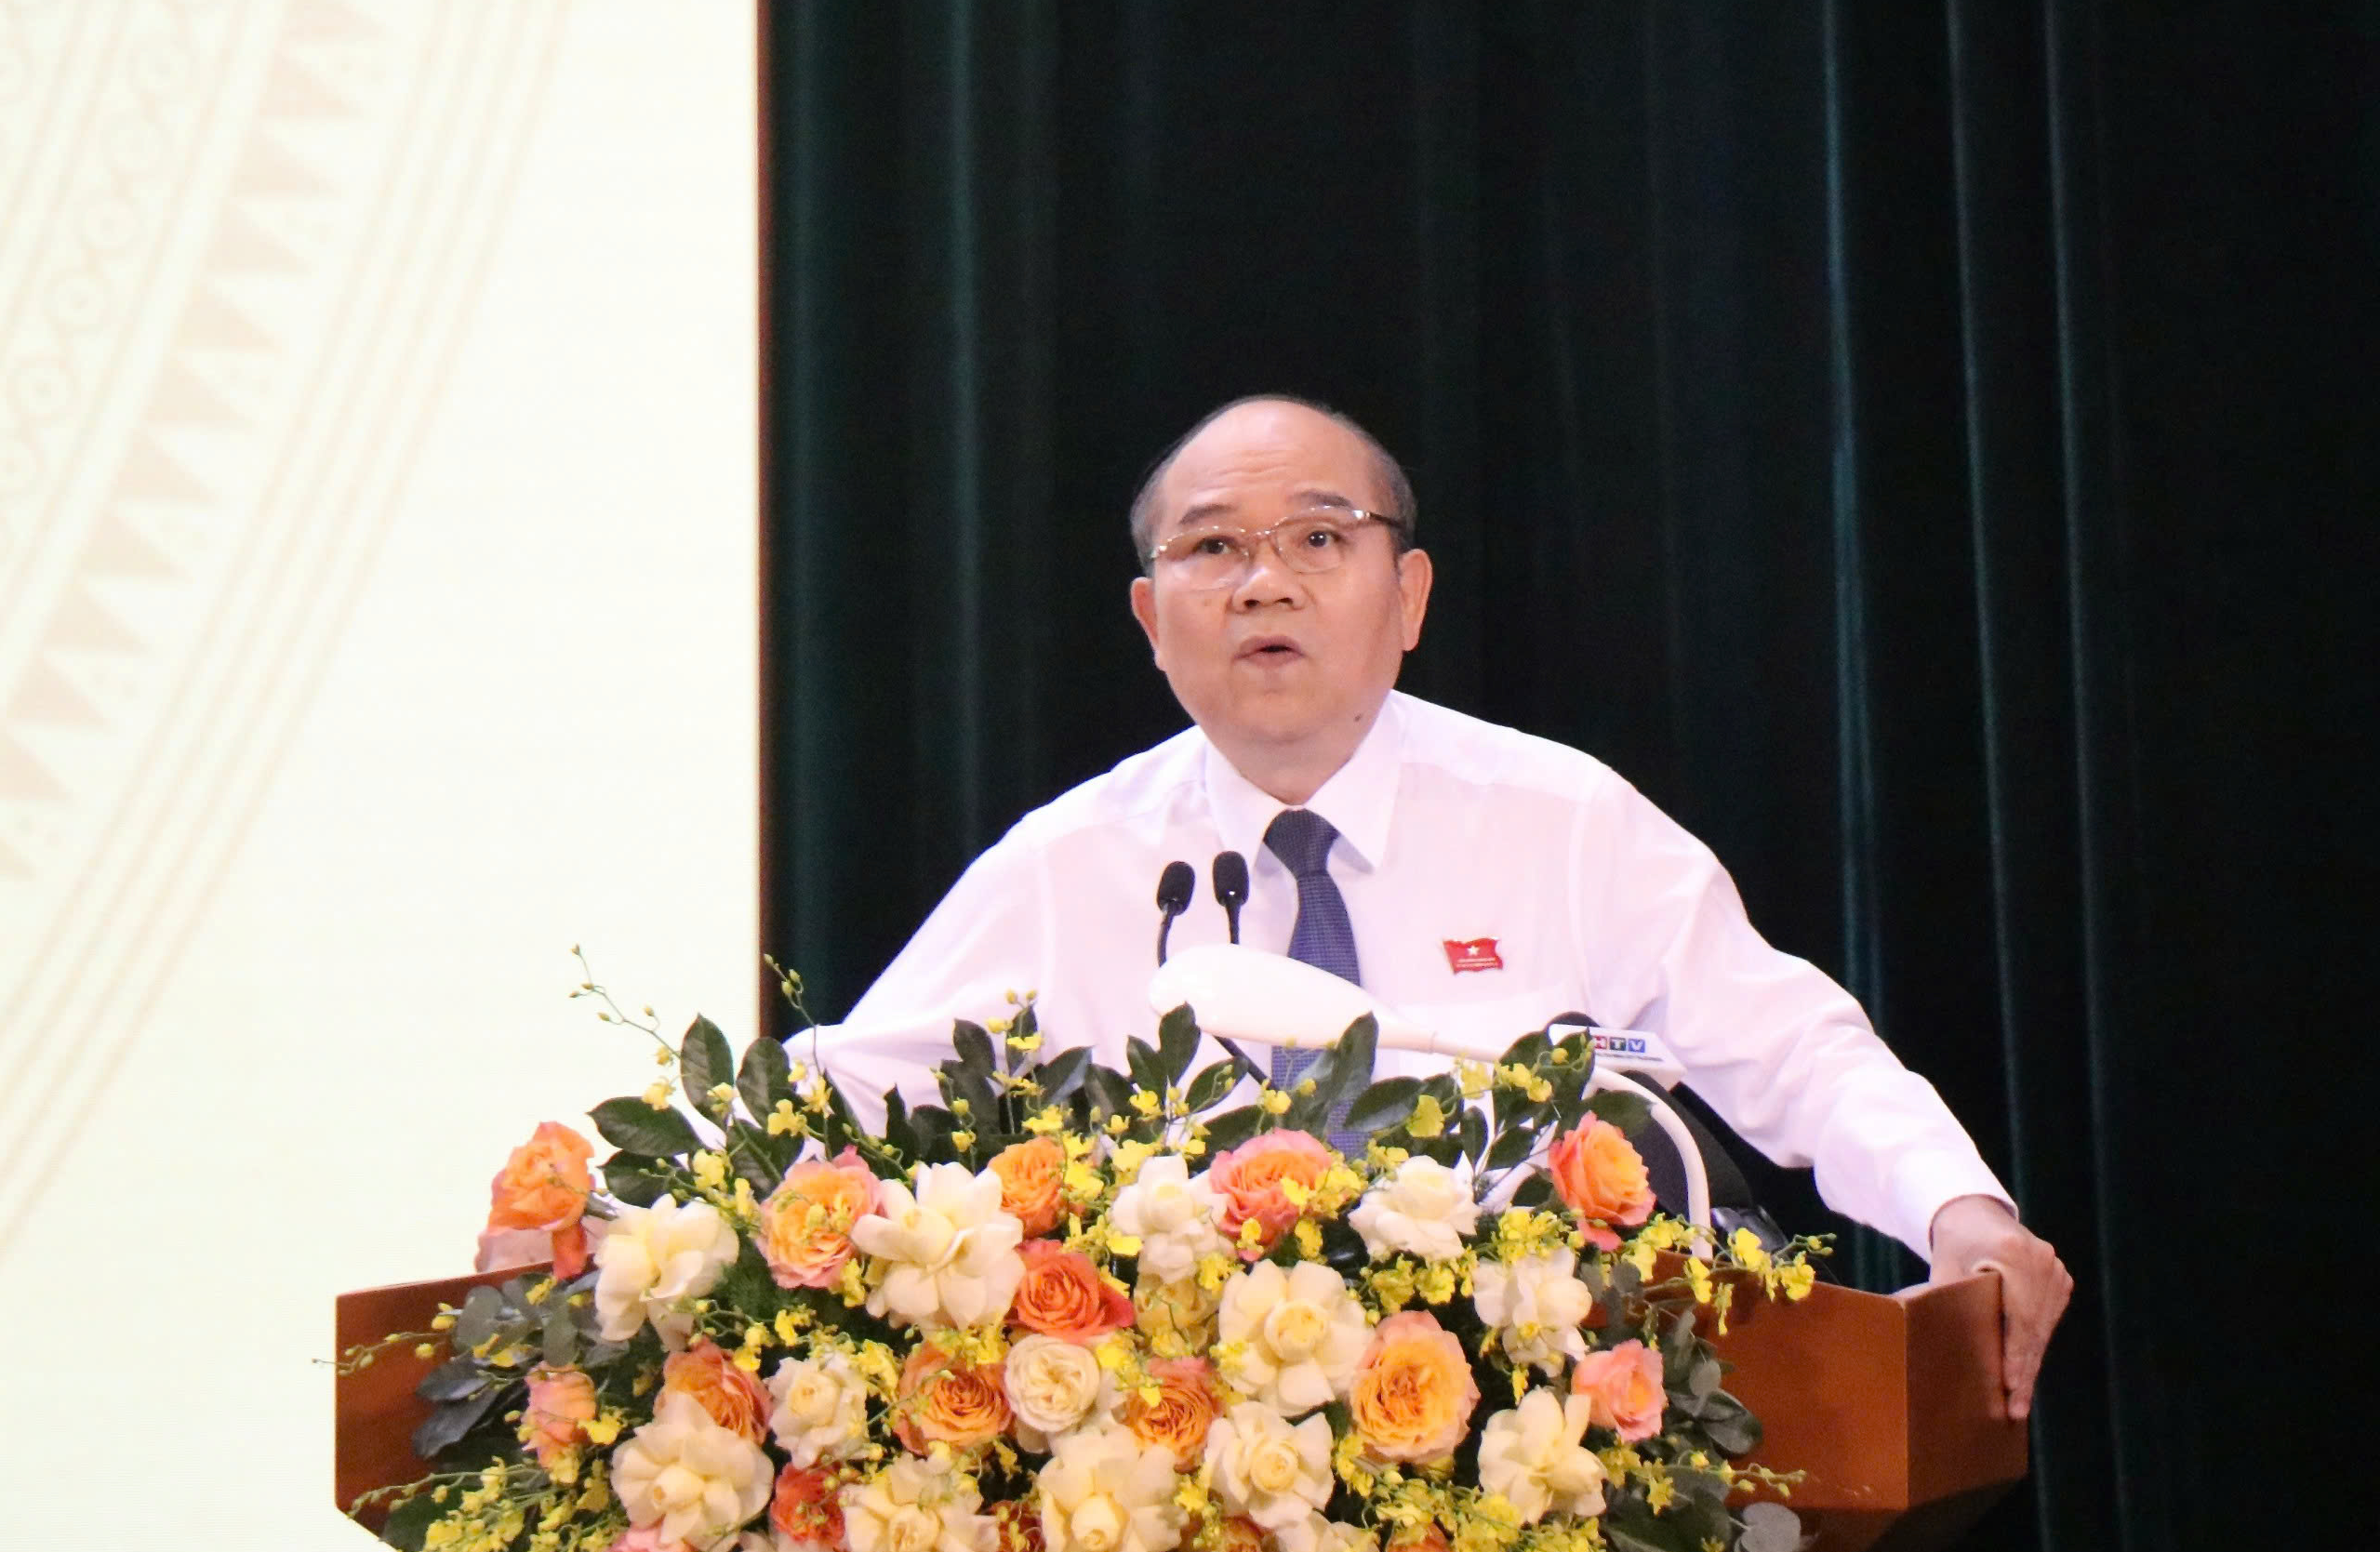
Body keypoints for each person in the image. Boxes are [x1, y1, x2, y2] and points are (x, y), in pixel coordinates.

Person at [807, 394, 2072, 1419]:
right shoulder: (1065, 868)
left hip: (1536, 1462)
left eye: (1319, 538)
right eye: (1212, 547)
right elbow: (836, 1103)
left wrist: (1956, 1209)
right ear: (1151, 617)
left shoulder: (1560, 821)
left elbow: (1793, 1049)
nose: (1263, 583)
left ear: (1408, 595)